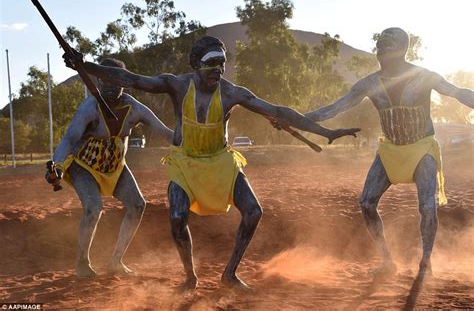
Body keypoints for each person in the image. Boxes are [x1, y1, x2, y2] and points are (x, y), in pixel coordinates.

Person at [63, 36, 360, 290]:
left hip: (221, 163)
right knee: (178, 218)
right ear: (195, 64)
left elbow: (280, 110)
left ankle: (229, 273)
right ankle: (190, 276)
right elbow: (132, 79)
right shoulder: (177, 85)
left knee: (254, 212)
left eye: (222, 63)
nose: (217, 69)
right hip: (186, 164)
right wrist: (84, 65)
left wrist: (326, 132)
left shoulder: (232, 93)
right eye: (210, 63)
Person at [304, 28, 474, 276]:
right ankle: (387, 261)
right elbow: (334, 108)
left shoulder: (424, 76)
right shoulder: (369, 84)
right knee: (366, 203)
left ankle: (426, 263)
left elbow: (458, 92)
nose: (382, 52)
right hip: (390, 150)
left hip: (421, 149)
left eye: (388, 46)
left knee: (428, 207)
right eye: (380, 47)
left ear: (402, 49)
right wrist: (297, 118)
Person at [46, 58, 174, 277]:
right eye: (107, 80)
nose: (112, 86)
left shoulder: (134, 108)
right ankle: (82, 263)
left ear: (125, 83)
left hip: (115, 167)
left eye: (117, 81)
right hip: (83, 166)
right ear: (98, 81)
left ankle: (116, 262)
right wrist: (56, 166)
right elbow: (69, 139)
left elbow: (165, 131)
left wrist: (194, 141)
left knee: (137, 205)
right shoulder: (90, 108)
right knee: (93, 208)